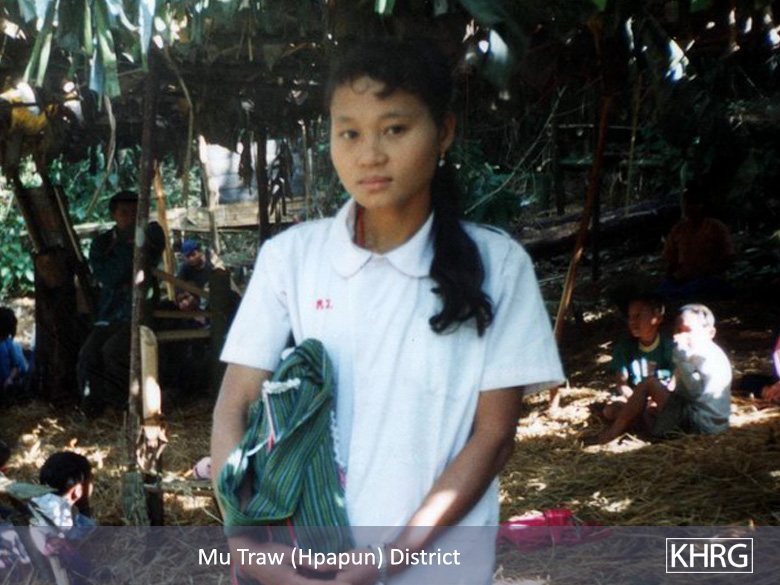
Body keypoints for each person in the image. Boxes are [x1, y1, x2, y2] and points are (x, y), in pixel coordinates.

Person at [211, 38, 563, 585]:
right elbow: (234, 405)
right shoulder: (291, 260)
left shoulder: (499, 266)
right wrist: (245, 542)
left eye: (394, 129)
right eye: (349, 132)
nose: (369, 154)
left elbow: (493, 438)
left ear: (444, 131)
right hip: (306, 565)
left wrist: (388, 556)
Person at [591, 304, 732, 444]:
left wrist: (680, 359)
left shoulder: (704, 356)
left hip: (701, 425)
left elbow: (694, 392)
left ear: (710, 333)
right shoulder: (698, 351)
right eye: (678, 330)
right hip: (700, 419)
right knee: (634, 411)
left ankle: (612, 433)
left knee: (649, 383)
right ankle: (648, 427)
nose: (680, 336)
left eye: (688, 330)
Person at [77, 191, 165, 415]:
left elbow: (146, 257)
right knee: (87, 356)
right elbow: (109, 276)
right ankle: (93, 410)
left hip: (139, 313)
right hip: (109, 314)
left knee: (113, 351)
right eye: (124, 213)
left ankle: (122, 407)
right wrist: (131, 245)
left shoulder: (152, 233)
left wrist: (128, 246)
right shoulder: (102, 242)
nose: (131, 217)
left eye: (136, 213)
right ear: (114, 216)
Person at [599, 292, 674, 421]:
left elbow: (675, 380)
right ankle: (641, 419)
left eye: (639, 316)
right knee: (610, 411)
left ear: (658, 318)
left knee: (655, 410)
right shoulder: (625, 347)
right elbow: (621, 382)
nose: (633, 322)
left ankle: (639, 420)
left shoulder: (668, 345)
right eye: (630, 317)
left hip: (661, 394)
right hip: (634, 397)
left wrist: (654, 399)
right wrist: (636, 400)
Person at [661, 186, 736, 300]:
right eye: (687, 204)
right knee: (660, 294)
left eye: (695, 203)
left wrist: (710, 272)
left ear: (703, 205)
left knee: (688, 292)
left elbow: (729, 256)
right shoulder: (678, 229)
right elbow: (670, 260)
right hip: (683, 279)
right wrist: (669, 278)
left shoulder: (716, 227)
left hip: (709, 280)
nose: (690, 208)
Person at [0, 307, 28, 404]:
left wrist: (9, 379)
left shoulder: (8, 343)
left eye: (4, 336)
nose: (2, 339)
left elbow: (16, 366)